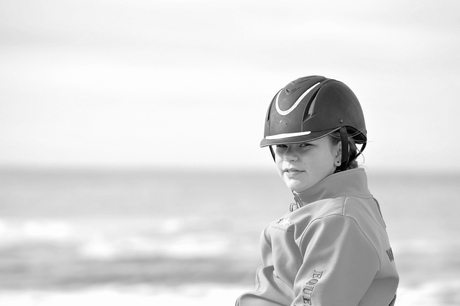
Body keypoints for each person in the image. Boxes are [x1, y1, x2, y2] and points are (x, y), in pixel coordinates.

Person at [236, 75, 399, 306]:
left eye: (305, 145)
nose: (290, 156)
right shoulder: (327, 210)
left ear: (339, 151)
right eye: (282, 147)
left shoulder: (338, 220)